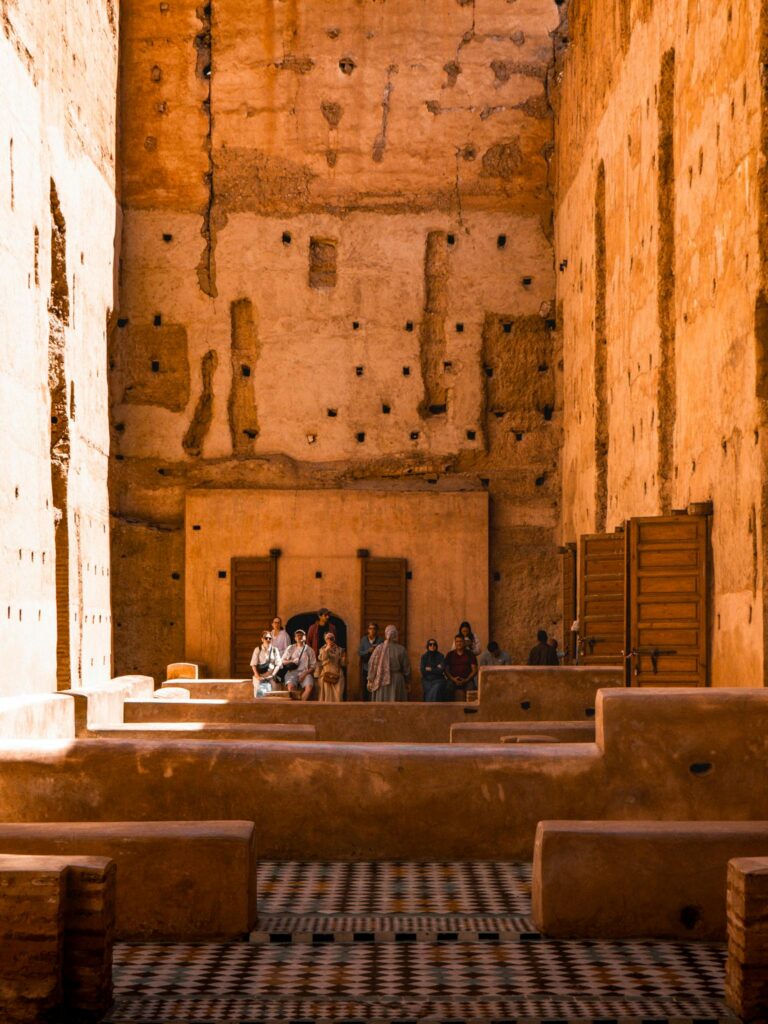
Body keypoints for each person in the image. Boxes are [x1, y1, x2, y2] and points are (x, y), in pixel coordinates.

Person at [367, 624, 411, 702]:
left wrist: (370, 680)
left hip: (381, 680)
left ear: (386, 634)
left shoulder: (379, 648)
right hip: (397, 681)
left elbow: (372, 665)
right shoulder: (401, 649)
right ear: (396, 635)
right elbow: (406, 669)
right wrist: (407, 682)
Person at [281, 628, 317, 700]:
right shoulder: (290, 648)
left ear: (305, 637)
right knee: (291, 687)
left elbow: (313, 666)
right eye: (298, 635)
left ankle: (300, 704)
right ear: (295, 638)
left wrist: (304, 674)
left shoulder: (309, 650)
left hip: (305, 672)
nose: (300, 637)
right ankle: (295, 706)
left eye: (302, 635)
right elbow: (283, 661)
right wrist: (292, 660)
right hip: (292, 672)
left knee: (309, 687)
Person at [444, 634, 479, 700]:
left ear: (464, 642)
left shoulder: (470, 654)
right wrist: (453, 679)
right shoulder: (450, 654)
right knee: (447, 687)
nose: (459, 643)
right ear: (455, 643)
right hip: (452, 680)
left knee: (471, 689)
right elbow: (446, 670)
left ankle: (470, 709)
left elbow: (474, 670)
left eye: (461, 641)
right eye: (457, 641)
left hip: (467, 680)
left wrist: (466, 680)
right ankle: (449, 709)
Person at [317, 631, 346, 702]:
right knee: (327, 695)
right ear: (325, 640)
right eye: (327, 638)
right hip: (326, 673)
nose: (329, 640)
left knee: (338, 695)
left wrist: (344, 659)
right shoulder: (322, 649)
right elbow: (322, 658)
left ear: (334, 639)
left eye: (331, 638)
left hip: (337, 673)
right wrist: (327, 649)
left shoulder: (340, 649)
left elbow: (343, 664)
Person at [357, 622, 381, 702]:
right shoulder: (364, 639)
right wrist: (368, 651)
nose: (372, 630)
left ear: (377, 630)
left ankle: (375, 701)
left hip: (377, 668)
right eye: (370, 628)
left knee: (376, 685)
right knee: (365, 686)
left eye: (374, 628)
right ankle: (365, 703)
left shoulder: (380, 640)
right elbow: (360, 652)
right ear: (368, 630)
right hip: (366, 667)